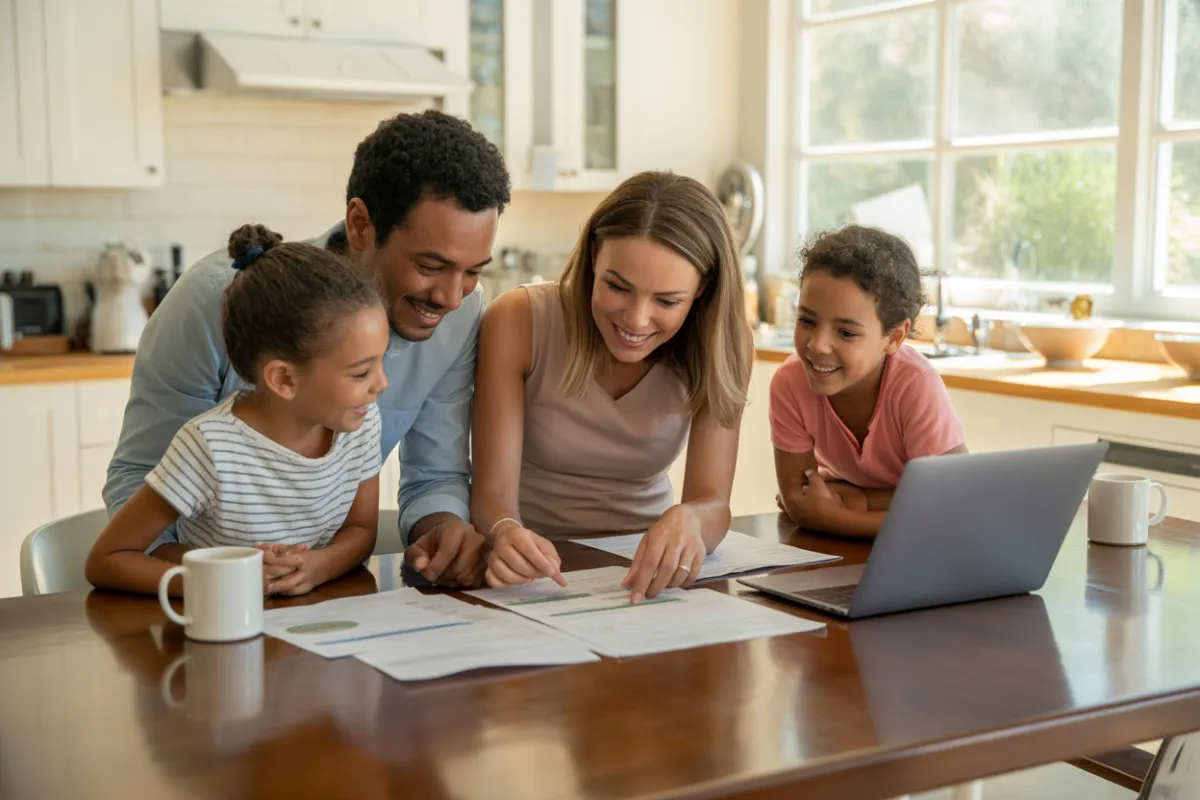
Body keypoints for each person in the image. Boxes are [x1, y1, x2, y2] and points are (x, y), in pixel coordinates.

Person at [102, 109, 511, 588]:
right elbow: (140, 479)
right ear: (360, 224)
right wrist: (231, 580)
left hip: (326, 595)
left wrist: (445, 533)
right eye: (430, 265)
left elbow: (434, 476)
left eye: (473, 271)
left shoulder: (462, 312)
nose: (451, 296)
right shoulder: (214, 299)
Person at [470, 171, 754, 603]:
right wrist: (504, 532)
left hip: (643, 574)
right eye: (617, 287)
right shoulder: (519, 320)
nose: (636, 321)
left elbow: (713, 501)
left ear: (702, 290)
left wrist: (690, 519)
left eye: (667, 301)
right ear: (594, 256)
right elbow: (491, 496)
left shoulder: (724, 345)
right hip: (537, 570)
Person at [86, 225, 388, 596]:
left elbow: (360, 531)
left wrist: (318, 567)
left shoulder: (361, 423)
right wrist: (225, 578)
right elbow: (108, 558)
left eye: (380, 364)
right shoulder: (210, 447)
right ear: (284, 379)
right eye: (361, 372)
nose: (381, 384)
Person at [769, 225, 967, 539]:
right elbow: (799, 500)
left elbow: (952, 508)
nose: (818, 345)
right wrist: (891, 505)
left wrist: (842, 511)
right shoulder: (790, 383)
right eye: (807, 320)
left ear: (894, 337)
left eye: (846, 332)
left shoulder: (915, 384)